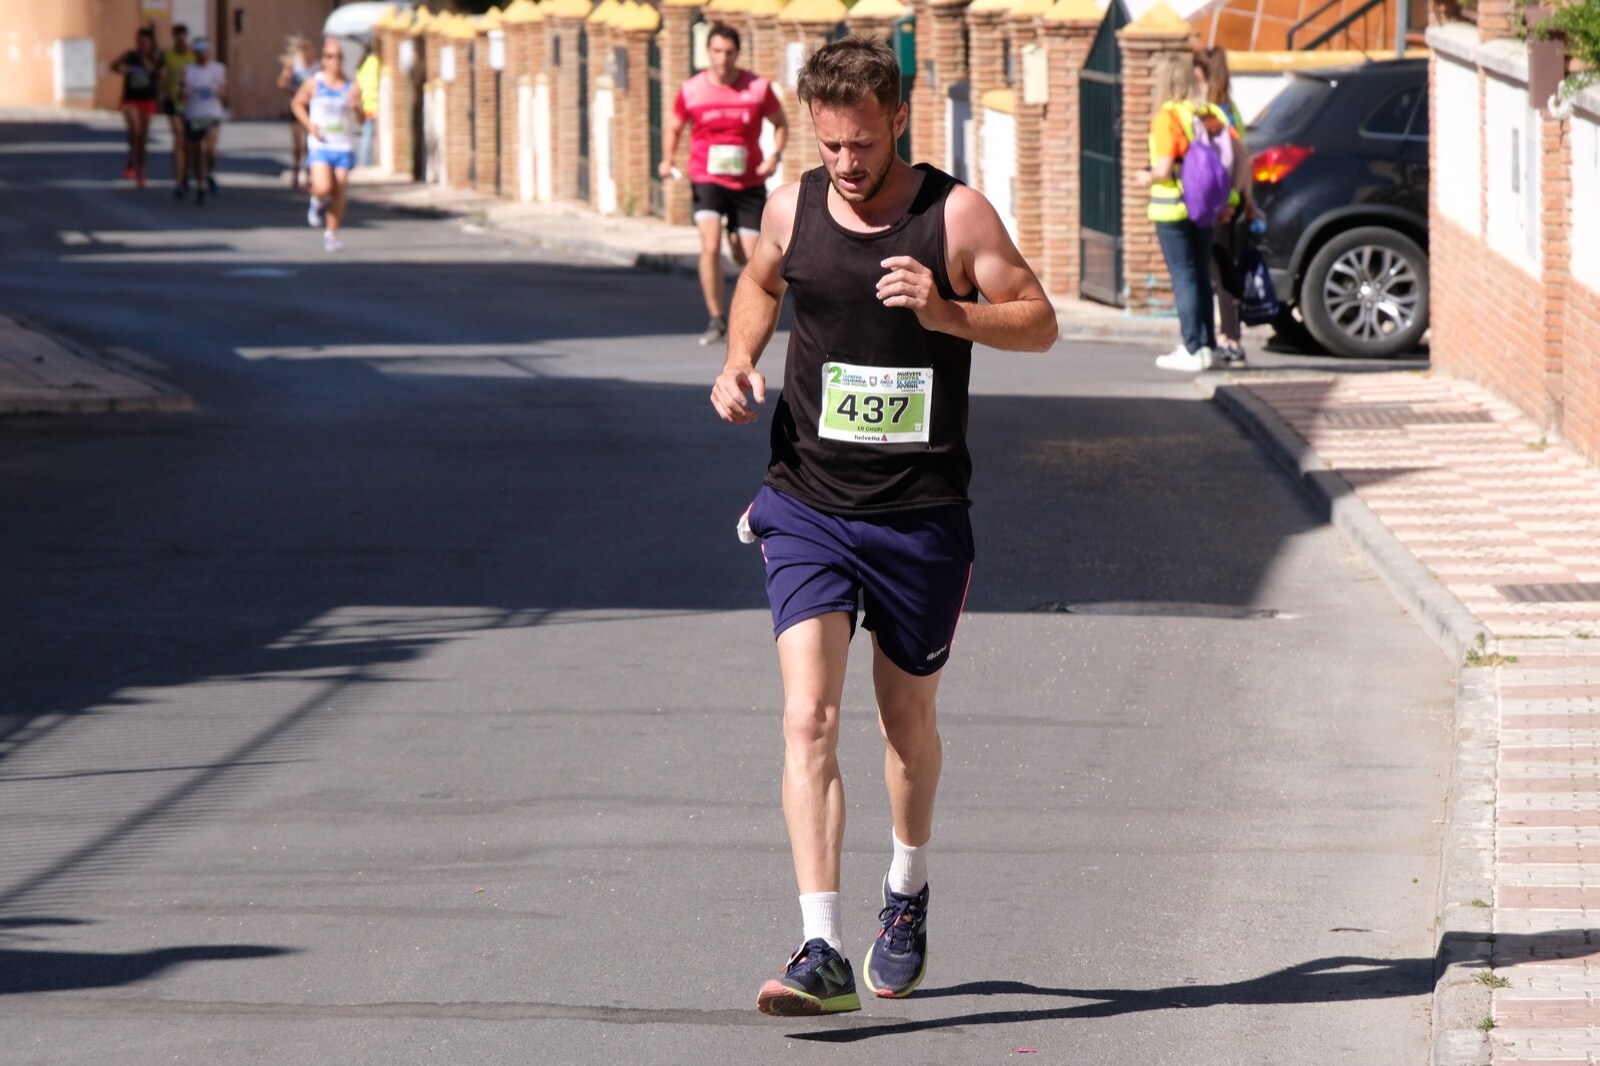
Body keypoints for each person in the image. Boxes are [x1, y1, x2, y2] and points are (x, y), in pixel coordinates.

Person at [710, 36, 1057, 1016]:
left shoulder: (954, 215)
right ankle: (819, 944)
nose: (847, 166)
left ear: (897, 119)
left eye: (861, 145)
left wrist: (949, 313)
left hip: (919, 518)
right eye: (829, 147)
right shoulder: (794, 204)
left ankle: (904, 891)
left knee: (905, 725)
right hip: (807, 501)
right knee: (806, 715)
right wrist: (739, 361)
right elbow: (760, 284)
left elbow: (1037, 318)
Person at [659, 23, 787, 346]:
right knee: (710, 246)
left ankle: (739, 253)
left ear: (737, 54)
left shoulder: (756, 88)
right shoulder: (692, 89)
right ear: (708, 52)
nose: (722, 58)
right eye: (716, 51)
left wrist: (774, 157)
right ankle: (717, 318)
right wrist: (667, 158)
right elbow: (673, 127)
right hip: (707, 177)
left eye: (729, 52)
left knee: (752, 256)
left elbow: (780, 123)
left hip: (748, 182)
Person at [1138, 51, 1239, 372]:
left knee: (1184, 277)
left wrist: (1147, 176)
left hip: (1173, 207)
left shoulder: (1167, 116)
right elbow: (1236, 152)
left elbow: (1165, 167)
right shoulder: (1209, 112)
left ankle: (1192, 348)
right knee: (1200, 276)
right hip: (1206, 205)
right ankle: (1207, 347)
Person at [1196, 46, 1258, 366]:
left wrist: (1231, 199)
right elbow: (1245, 159)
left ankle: (1229, 339)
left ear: (1201, 74)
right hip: (1230, 204)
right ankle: (1230, 336)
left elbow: (1233, 159)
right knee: (1225, 271)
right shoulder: (1229, 109)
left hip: (1216, 206)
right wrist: (1246, 198)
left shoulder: (1210, 114)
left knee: (1220, 274)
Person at [292, 37, 364, 252]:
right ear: (323, 60)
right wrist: (309, 125)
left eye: (339, 57)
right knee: (324, 187)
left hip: (343, 145)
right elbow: (296, 104)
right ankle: (316, 200)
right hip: (321, 145)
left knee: (340, 190)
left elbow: (361, 120)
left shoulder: (351, 86)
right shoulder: (315, 83)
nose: (335, 61)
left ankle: (331, 234)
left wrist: (357, 105)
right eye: (330, 56)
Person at [111, 27, 163, 187]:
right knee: (135, 129)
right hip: (131, 99)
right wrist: (122, 69)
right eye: (139, 41)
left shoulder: (156, 57)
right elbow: (113, 66)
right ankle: (133, 159)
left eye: (145, 42)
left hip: (147, 99)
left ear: (150, 42)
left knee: (142, 138)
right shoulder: (129, 55)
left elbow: (158, 72)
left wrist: (149, 64)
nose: (141, 45)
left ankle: (139, 168)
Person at [181, 37, 227, 206]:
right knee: (195, 151)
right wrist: (183, 88)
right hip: (193, 114)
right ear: (194, 53)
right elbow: (183, 95)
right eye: (199, 51)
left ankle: (210, 173)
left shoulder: (218, 69)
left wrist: (220, 92)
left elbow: (223, 92)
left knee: (210, 148)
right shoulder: (188, 70)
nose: (202, 54)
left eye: (205, 51)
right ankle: (200, 182)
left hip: (211, 114)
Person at [278, 35, 318, 191]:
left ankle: (307, 174)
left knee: (310, 143)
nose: (309, 52)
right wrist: (296, 91)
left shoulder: (317, 66)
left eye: (311, 49)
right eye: (306, 49)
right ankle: (295, 168)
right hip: (297, 107)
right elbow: (282, 82)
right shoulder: (295, 65)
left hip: (312, 108)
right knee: (297, 144)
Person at [162, 24, 197, 198]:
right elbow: (162, 75)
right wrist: (160, 95)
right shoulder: (168, 55)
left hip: (191, 104)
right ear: (174, 38)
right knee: (179, 137)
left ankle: (185, 175)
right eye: (178, 37)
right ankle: (178, 180)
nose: (181, 41)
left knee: (189, 144)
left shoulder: (193, 56)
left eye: (184, 37)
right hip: (173, 102)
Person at [356, 46, 381, 168]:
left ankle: (363, 161)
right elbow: (376, 82)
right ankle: (365, 162)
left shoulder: (362, 64)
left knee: (366, 133)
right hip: (373, 103)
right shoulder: (374, 61)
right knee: (369, 134)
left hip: (365, 102)